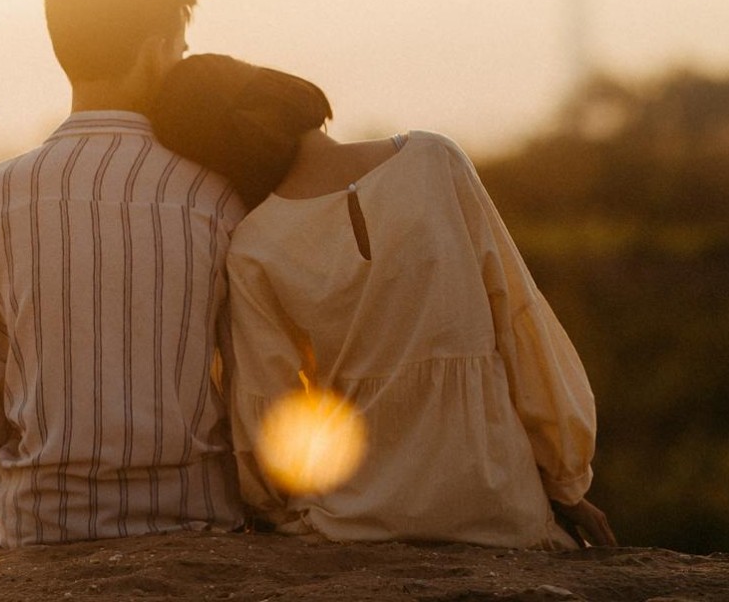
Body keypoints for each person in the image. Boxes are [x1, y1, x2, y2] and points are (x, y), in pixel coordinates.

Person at [150, 53, 617, 550]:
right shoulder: (435, 160)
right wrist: (566, 483)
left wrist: (273, 509)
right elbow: (520, 322)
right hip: (497, 505)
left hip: (352, 521)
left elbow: (269, 411)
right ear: (280, 88)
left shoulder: (253, 246)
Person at [0, 0, 246, 547]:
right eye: (180, 49)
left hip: (45, 527)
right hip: (199, 521)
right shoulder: (218, 196)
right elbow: (254, 381)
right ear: (158, 51)